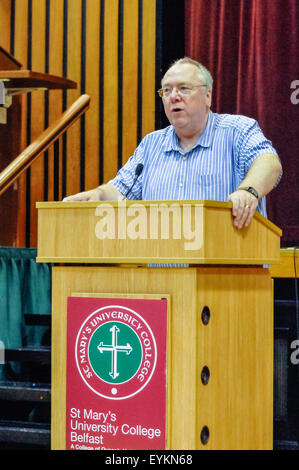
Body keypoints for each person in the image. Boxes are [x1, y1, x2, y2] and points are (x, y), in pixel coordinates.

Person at [63, 57, 282, 229]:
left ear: (208, 96)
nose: (173, 96)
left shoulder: (238, 130)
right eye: (166, 90)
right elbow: (122, 190)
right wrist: (98, 195)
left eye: (184, 88)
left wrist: (248, 192)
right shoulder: (152, 144)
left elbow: (269, 163)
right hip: (164, 281)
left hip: (226, 279)